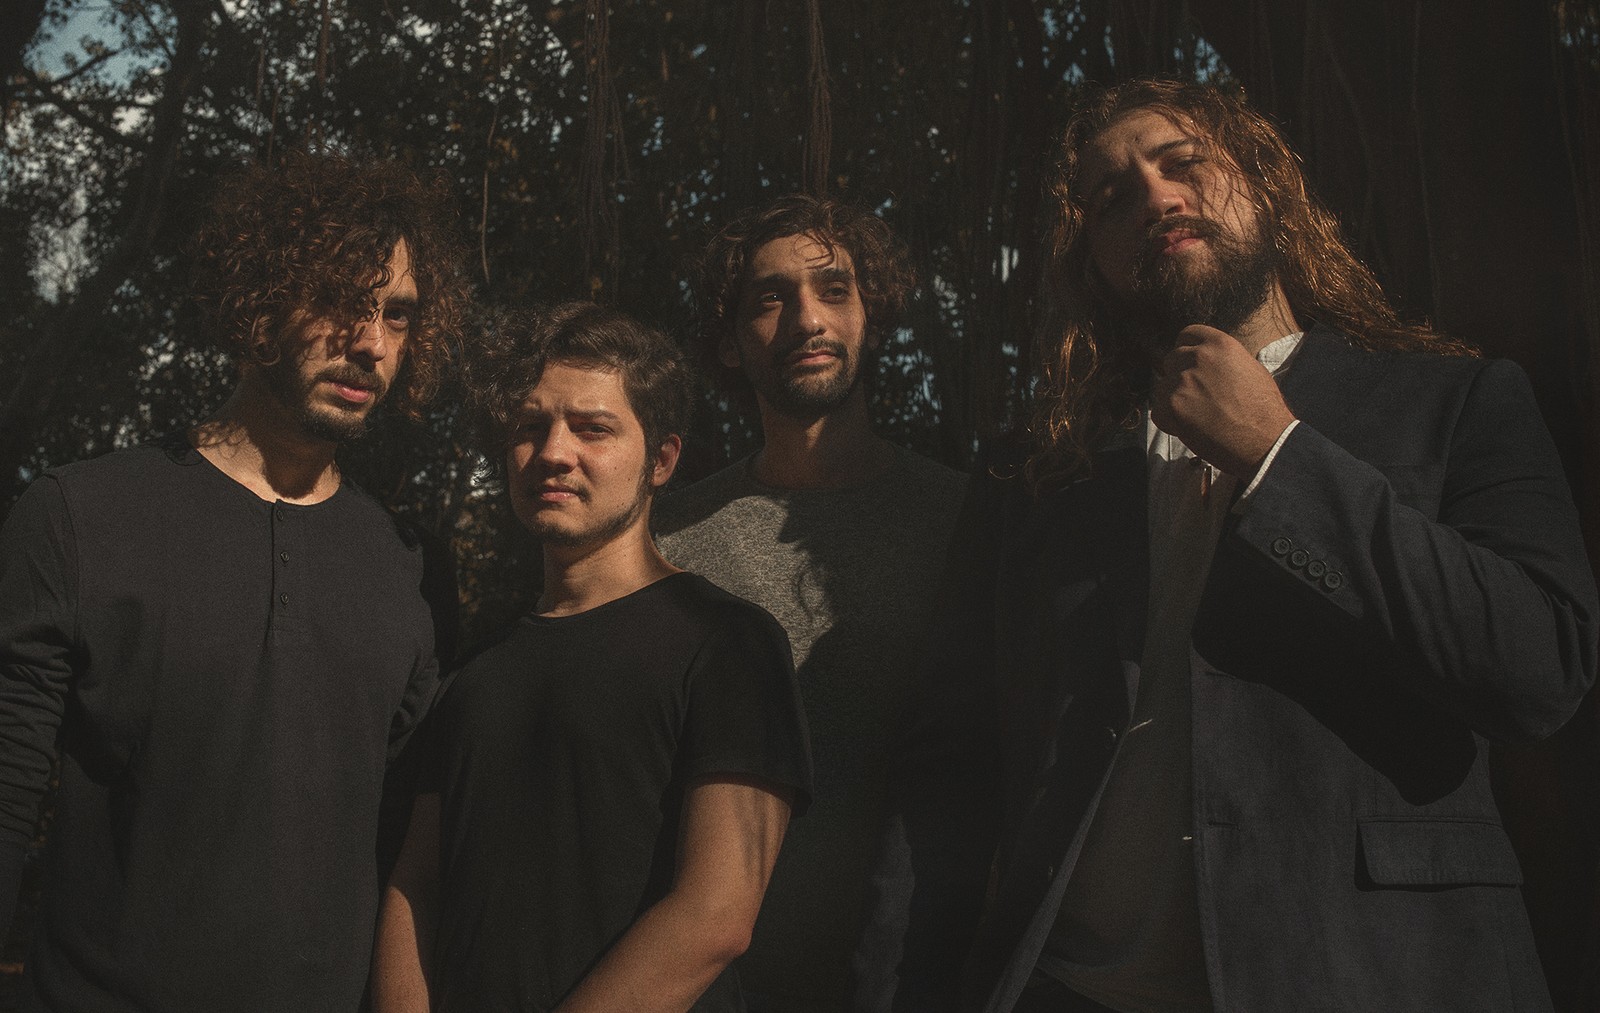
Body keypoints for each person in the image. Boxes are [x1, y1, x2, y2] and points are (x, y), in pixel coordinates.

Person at [878, 78, 1599, 1013]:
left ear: (1265, 185)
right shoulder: (1037, 478)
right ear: (1092, 262)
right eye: (1112, 197)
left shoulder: (1456, 403)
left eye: (1184, 164)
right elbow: (951, 771)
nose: (1156, 197)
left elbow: (1542, 666)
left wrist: (1281, 457)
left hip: (1377, 977)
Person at [0, 150, 470, 1010]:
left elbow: (416, 851)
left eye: (397, 315)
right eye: (338, 299)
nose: (369, 341)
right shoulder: (78, 515)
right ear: (259, 300)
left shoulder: (410, 564)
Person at [373, 301, 813, 1013]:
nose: (553, 451)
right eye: (529, 427)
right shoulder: (471, 673)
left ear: (662, 458)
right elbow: (415, 882)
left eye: (593, 427)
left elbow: (715, 915)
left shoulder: (730, 644)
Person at [653, 194, 965, 1011]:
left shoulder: (969, 523)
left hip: (921, 979)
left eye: (834, 289)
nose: (806, 318)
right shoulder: (668, 540)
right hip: (710, 989)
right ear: (728, 340)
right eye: (770, 297)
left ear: (872, 314)